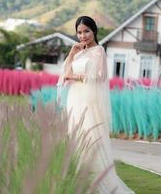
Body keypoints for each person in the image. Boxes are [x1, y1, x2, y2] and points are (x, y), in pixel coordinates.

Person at [57, 16, 134, 193]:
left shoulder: (99, 50)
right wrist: (71, 53)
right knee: (75, 138)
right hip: (74, 99)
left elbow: (100, 77)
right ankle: (81, 181)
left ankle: (97, 182)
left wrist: (75, 77)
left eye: (86, 31)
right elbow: (64, 75)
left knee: (90, 138)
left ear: (94, 31)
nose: (82, 36)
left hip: (88, 101)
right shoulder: (78, 52)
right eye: (79, 32)